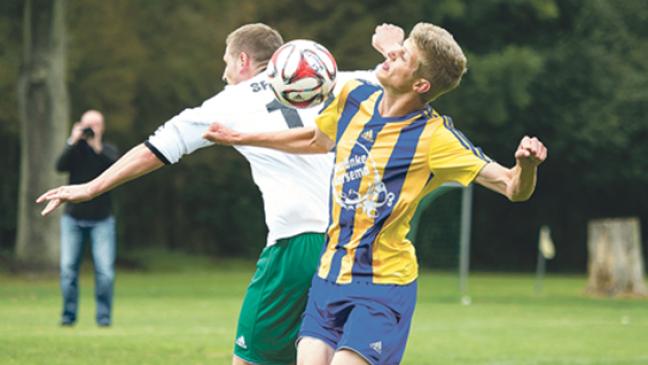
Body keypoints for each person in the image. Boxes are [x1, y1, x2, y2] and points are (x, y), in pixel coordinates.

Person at [37, 23, 393, 365]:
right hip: (353, 247)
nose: (224, 74)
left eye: (226, 62)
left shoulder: (230, 102)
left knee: (252, 360)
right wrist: (394, 49)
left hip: (297, 246)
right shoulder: (336, 81)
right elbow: (408, 76)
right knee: (322, 355)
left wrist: (92, 187)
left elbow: (156, 149)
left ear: (243, 61)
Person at [203, 22, 547, 365]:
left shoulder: (435, 139)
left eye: (404, 55)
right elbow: (315, 140)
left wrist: (526, 166)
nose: (393, 53)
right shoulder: (353, 96)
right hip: (329, 276)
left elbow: (511, 186)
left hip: (382, 286)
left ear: (420, 84)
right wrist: (241, 137)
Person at [55, 110, 120, 327]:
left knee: (105, 272)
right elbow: (59, 166)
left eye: (96, 124)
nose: (92, 129)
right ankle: (68, 316)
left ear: (103, 127)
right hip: (73, 219)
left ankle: (103, 318)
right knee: (67, 270)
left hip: (102, 220)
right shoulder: (75, 150)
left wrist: (96, 146)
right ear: (80, 125)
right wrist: (73, 140)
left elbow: (116, 169)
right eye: (88, 125)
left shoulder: (107, 150)